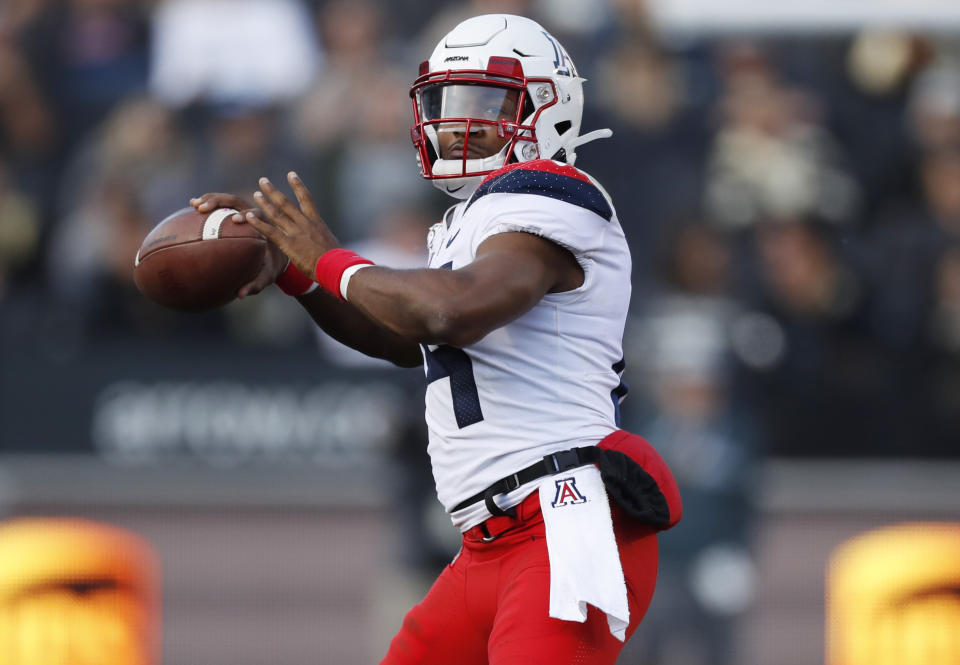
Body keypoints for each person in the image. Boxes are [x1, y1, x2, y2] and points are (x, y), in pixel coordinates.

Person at [190, 14, 681, 663]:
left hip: (560, 522)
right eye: (447, 100)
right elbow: (407, 337)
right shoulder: (470, 220)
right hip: (487, 541)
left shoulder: (553, 194)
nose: (456, 120)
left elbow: (454, 312)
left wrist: (331, 258)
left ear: (550, 106)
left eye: (484, 100)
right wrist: (299, 276)